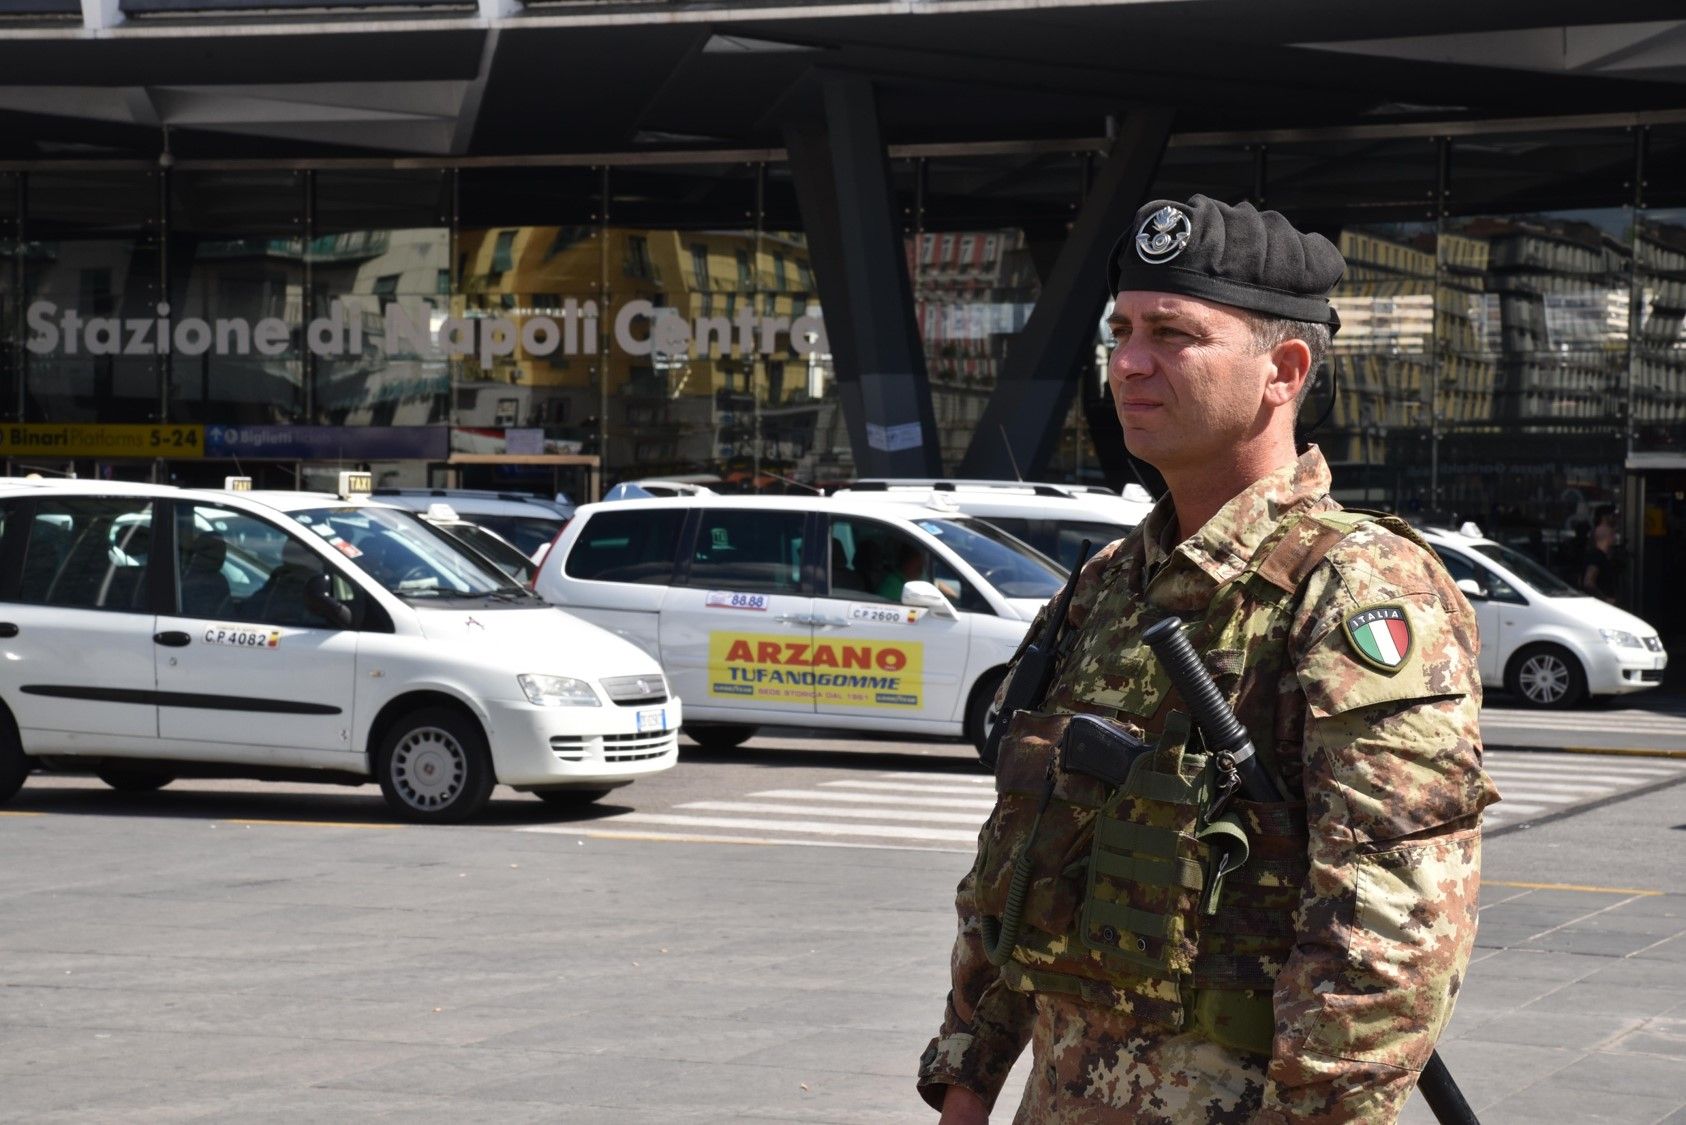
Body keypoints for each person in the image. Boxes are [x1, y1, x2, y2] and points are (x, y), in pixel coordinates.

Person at [917, 194, 1499, 1124]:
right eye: (1123, 330)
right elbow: (1019, 864)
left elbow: (1390, 931)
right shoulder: (1107, 584)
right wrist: (968, 1074)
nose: (1130, 362)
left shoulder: (1355, 589)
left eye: (1174, 333)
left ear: (1285, 369)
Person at [1582, 506, 1619, 602]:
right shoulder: (1596, 557)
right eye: (1612, 535)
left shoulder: (1600, 556)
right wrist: (1604, 599)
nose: (1615, 538)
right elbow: (1588, 582)